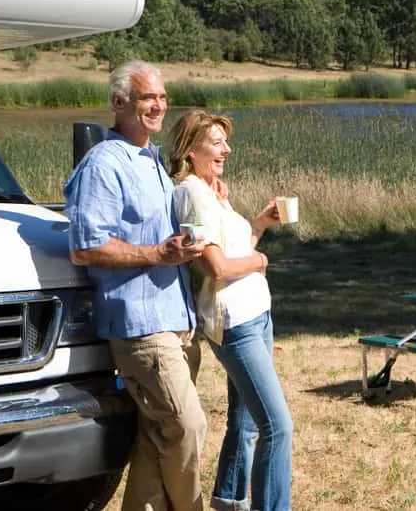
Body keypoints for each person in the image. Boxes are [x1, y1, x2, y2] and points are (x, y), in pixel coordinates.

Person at [63, 60, 209, 511]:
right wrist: (157, 255)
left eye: (162, 98)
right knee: (187, 426)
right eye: (149, 98)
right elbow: (85, 248)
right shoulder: (104, 164)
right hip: (141, 329)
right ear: (118, 102)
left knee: (156, 436)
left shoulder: (152, 162)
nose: (159, 106)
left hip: (175, 320)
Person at [168, 109, 293, 511]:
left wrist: (258, 224)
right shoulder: (191, 194)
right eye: (217, 141)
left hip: (256, 314)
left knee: (246, 420)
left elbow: (233, 248)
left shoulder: (211, 191)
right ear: (191, 149)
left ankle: (228, 499)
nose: (227, 148)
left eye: (226, 140)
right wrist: (261, 262)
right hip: (236, 323)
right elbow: (216, 267)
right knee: (278, 426)